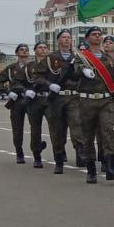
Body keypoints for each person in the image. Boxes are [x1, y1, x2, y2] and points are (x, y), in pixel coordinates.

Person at [74, 28, 114, 183]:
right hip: (87, 101)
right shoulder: (81, 57)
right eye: (94, 35)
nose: (98, 36)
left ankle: (109, 167)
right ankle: (91, 170)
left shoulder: (109, 58)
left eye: (99, 35)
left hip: (106, 101)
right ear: (88, 38)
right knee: (87, 136)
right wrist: (83, 70)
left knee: (108, 133)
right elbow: (74, 70)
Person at [39, 28, 82, 173]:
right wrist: (49, 85)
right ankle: (59, 159)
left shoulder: (78, 57)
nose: (66, 39)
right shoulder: (50, 58)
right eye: (63, 37)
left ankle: (80, 154)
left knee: (77, 125)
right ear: (58, 40)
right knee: (57, 130)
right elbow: (38, 77)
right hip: (56, 98)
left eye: (69, 37)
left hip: (74, 97)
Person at [0, 44, 40, 166]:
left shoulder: (34, 67)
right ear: (17, 53)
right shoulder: (10, 68)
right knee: (17, 128)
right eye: (21, 49)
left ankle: (37, 153)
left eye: (26, 50)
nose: (24, 51)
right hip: (16, 101)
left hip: (31, 100)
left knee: (35, 127)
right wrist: (7, 92)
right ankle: (19, 152)